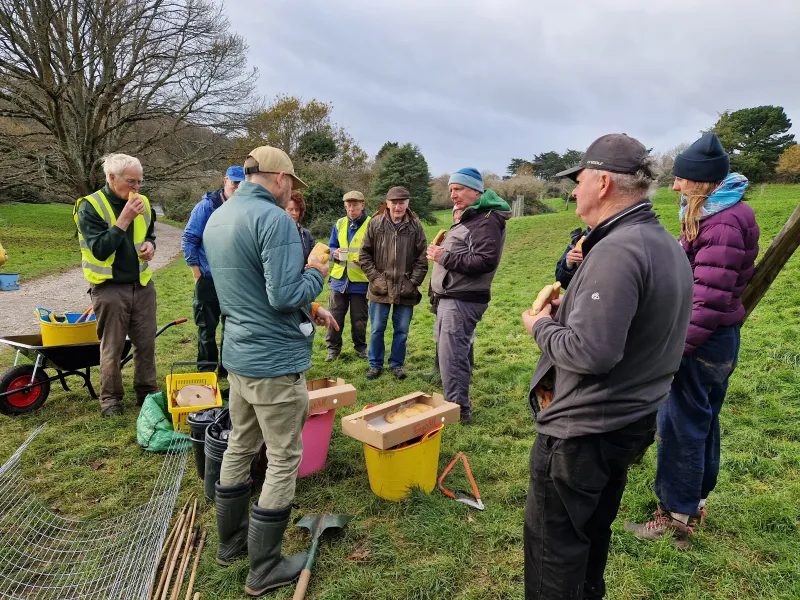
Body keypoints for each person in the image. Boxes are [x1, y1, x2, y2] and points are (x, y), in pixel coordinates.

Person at [520, 134, 694, 600]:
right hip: (629, 421)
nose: (573, 192)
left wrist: (538, 325)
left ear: (601, 182)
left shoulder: (617, 250)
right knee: (591, 534)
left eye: (577, 181)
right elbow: (629, 329)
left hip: (583, 431)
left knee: (552, 551)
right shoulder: (662, 243)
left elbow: (592, 353)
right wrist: (571, 310)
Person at [203, 146, 338, 596]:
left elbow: (253, 288)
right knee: (283, 457)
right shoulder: (275, 219)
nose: (291, 193)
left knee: (241, 443)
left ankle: (231, 545)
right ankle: (264, 567)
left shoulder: (219, 217)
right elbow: (283, 294)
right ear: (279, 178)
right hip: (274, 362)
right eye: (291, 184)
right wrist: (317, 271)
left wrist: (310, 306)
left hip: (239, 354)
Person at [626, 133, 760, 547]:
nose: (675, 185)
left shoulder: (721, 223)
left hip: (701, 341)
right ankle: (694, 500)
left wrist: (674, 350)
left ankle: (676, 516)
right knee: (701, 421)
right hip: (716, 339)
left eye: (681, 178)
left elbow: (708, 298)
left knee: (682, 425)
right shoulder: (722, 213)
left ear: (700, 181)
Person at [74, 153, 158, 417]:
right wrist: (124, 219)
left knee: (146, 343)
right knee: (112, 345)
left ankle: (147, 393)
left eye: (140, 182)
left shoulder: (143, 202)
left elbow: (150, 233)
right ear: (112, 178)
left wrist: (150, 246)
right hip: (109, 288)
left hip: (142, 284)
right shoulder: (90, 206)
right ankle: (110, 399)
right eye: (131, 182)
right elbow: (99, 249)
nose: (137, 188)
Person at [427, 168, 511, 423]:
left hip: (463, 300)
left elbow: (485, 260)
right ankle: (453, 403)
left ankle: (458, 411)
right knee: (448, 355)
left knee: (453, 357)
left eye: (459, 189)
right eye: (451, 189)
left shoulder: (486, 219)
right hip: (451, 297)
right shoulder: (471, 217)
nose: (453, 194)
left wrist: (444, 257)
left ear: (476, 190)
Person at [359, 186, 428, 380]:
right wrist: (376, 279)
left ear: (407, 204)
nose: (398, 207)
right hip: (379, 288)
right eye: (394, 203)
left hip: (406, 290)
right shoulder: (375, 224)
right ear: (387, 204)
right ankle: (375, 364)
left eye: (402, 203)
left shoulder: (415, 227)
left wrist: (412, 282)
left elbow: (422, 259)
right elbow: (364, 255)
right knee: (376, 329)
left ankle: (397, 364)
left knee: (402, 331)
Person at [182, 166, 245, 376]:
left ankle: (228, 369)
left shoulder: (244, 207)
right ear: (225, 180)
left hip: (233, 280)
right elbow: (189, 238)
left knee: (232, 326)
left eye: (241, 182)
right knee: (206, 327)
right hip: (208, 277)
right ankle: (207, 370)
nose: (237, 186)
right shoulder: (206, 206)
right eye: (234, 182)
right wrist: (196, 272)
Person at [423, 206, 474, 382]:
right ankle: (439, 367)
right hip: (440, 291)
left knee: (462, 334)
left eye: (462, 213)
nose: (458, 216)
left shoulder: (472, 235)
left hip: (458, 292)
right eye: (456, 213)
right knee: (439, 331)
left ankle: (467, 367)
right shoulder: (448, 236)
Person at [325, 191, 371, 362]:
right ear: (345, 206)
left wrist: (366, 259)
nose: (351, 209)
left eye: (355, 205)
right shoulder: (339, 224)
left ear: (362, 205)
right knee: (334, 317)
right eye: (348, 205)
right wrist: (333, 254)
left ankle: (360, 348)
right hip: (338, 281)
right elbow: (330, 247)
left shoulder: (372, 224)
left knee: (359, 318)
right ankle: (332, 350)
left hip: (360, 280)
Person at [286, 190, 314, 264]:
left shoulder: (307, 235)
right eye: (290, 209)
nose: (294, 213)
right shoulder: (276, 233)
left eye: (297, 210)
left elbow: (312, 260)